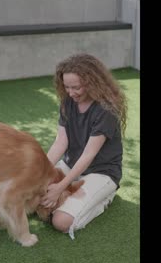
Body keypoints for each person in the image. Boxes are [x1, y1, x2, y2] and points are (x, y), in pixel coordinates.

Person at [41, 53, 127, 239]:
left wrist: (60, 186)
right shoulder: (67, 102)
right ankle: (73, 193)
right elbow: (60, 143)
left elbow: (88, 155)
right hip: (71, 165)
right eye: (66, 87)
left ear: (92, 82)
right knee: (35, 196)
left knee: (60, 221)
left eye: (76, 87)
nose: (71, 93)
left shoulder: (106, 109)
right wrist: (40, 172)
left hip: (101, 172)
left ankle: (105, 198)